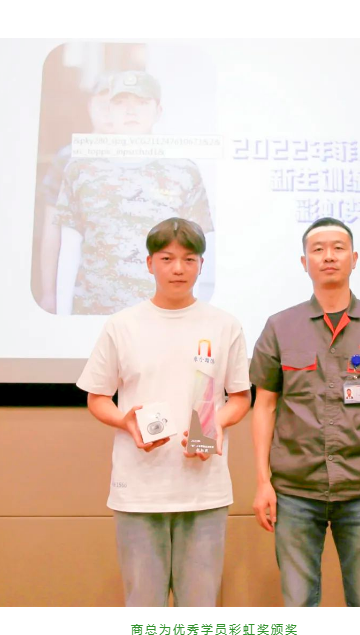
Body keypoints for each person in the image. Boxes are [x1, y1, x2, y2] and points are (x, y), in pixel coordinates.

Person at [249, 216, 360, 607]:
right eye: (318, 250)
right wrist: (263, 481)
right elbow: (264, 405)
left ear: (354, 258)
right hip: (295, 490)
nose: (328, 256)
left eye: (338, 248)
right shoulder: (280, 327)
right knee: (298, 605)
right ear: (304, 263)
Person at [76, 217, 250, 606]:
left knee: (199, 611)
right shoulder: (122, 325)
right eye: (167, 258)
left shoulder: (225, 325)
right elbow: (97, 397)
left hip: (204, 490)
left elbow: (240, 398)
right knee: (143, 606)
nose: (178, 269)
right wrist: (125, 421)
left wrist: (214, 425)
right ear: (149, 263)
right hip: (140, 491)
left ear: (201, 265)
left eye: (189, 259)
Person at [54, 71, 215, 315]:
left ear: (158, 111)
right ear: (109, 111)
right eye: (121, 103)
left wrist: (195, 315)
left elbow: (199, 252)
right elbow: (69, 248)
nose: (131, 111)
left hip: (162, 316)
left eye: (141, 102)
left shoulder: (183, 171)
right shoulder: (81, 169)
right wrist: (62, 315)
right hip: (92, 314)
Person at [37, 73, 114, 313]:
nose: (110, 113)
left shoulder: (150, 158)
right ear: (90, 106)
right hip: (79, 290)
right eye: (103, 104)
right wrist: (49, 293)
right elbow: (52, 230)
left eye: (118, 105)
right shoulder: (68, 158)